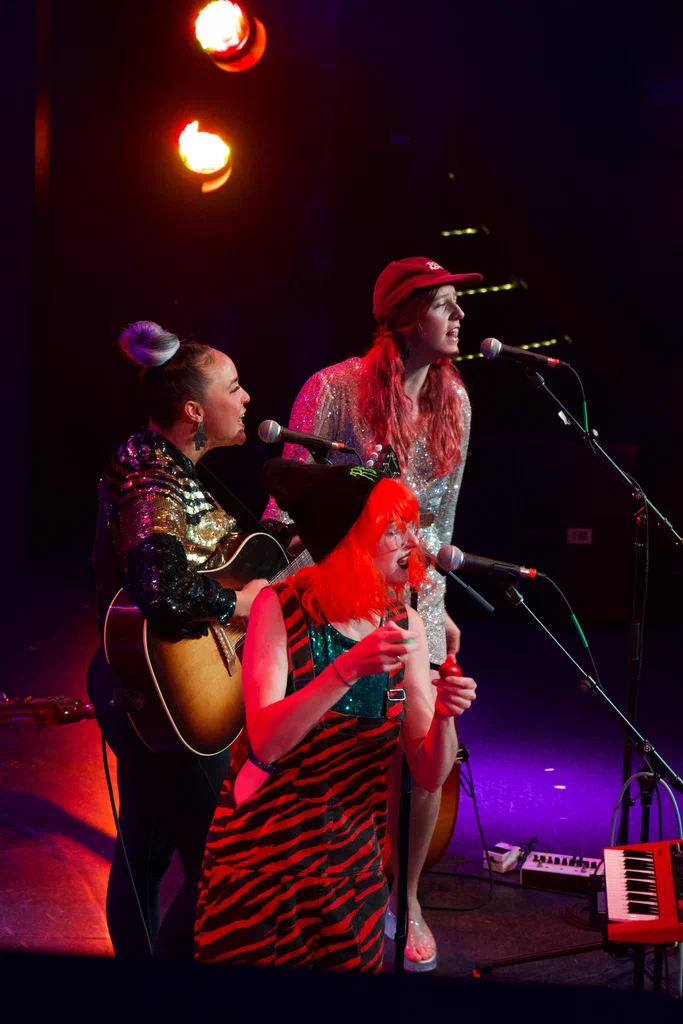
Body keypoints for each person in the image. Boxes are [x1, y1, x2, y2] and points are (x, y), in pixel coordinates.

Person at [262, 256, 482, 969]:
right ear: (407, 318)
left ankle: (407, 897)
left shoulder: (455, 399)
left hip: (418, 594)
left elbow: (442, 521)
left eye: (455, 304)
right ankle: (307, 885)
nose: (459, 317)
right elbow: (288, 509)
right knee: (328, 744)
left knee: (423, 750)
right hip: (334, 596)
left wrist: (438, 605)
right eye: (444, 305)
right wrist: (281, 603)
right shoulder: (332, 388)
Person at [195, 458, 477, 970]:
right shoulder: (279, 606)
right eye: (393, 530)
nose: (412, 542)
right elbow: (265, 741)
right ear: (351, 541)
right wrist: (345, 670)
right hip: (265, 864)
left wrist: (444, 717)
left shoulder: (406, 625)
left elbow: (428, 773)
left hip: (352, 872)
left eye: (409, 527)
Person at [88, 320, 266, 959]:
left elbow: (198, 562)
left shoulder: (175, 468)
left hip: (162, 687)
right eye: (234, 386)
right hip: (153, 685)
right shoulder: (149, 468)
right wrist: (236, 604)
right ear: (194, 410)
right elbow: (158, 586)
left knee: (145, 850)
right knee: (220, 862)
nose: (246, 398)